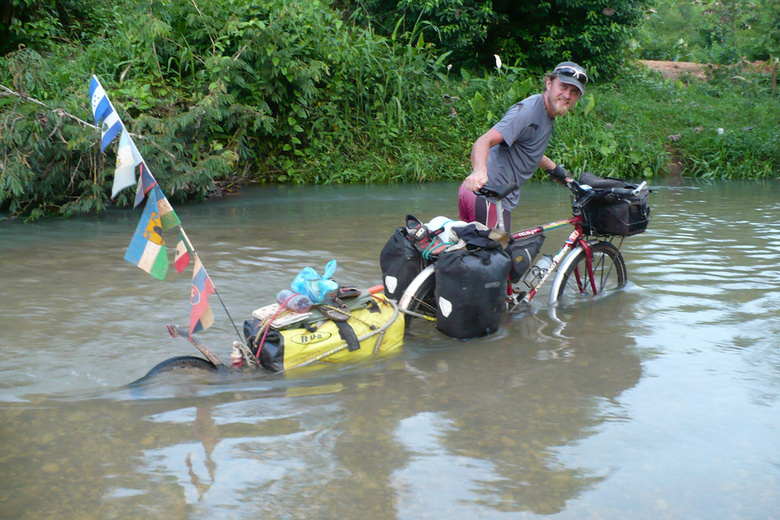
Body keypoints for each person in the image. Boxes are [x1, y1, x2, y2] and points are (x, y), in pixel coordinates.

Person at [458, 61, 588, 232]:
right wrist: (479, 171)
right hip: (489, 197)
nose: (567, 95)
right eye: (563, 86)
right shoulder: (528, 111)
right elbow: (483, 141)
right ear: (549, 83)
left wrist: (557, 171)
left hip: (480, 196)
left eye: (574, 92)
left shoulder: (546, 113)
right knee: (499, 256)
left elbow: (528, 148)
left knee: (473, 253)